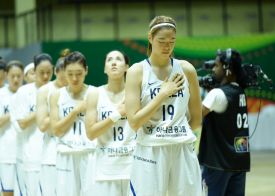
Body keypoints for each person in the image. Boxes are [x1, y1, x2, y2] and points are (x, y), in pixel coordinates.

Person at [125, 15, 202, 196]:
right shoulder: (137, 71)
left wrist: (176, 132)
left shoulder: (187, 70)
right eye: (162, 41)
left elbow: (197, 118)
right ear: (150, 38)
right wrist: (162, 94)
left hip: (182, 147)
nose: (167, 46)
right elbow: (134, 122)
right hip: (150, 149)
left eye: (172, 41)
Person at [198, 48, 251, 196]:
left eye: (216, 65)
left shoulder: (217, 94)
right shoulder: (240, 91)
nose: (213, 69)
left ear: (226, 68)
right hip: (239, 162)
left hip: (217, 163)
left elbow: (195, 116)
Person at [85, 50, 136, 196]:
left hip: (132, 166)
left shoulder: (136, 92)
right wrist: (117, 114)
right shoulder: (95, 94)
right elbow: (90, 133)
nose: (114, 62)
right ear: (105, 68)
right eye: (109, 60)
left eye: (118, 59)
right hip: (105, 169)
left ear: (127, 67)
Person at [50, 51, 96, 196]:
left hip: (90, 153)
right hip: (66, 154)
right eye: (70, 74)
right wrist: (75, 111)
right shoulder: (56, 95)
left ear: (86, 70)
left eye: (79, 73)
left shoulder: (95, 93)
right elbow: (56, 130)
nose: (74, 78)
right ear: (63, 72)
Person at [10, 53, 53, 196]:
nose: (46, 76)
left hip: (54, 157)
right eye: (42, 72)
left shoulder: (57, 91)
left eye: (49, 72)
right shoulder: (24, 92)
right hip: (32, 156)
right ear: (35, 71)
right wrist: (42, 109)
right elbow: (21, 124)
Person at [36, 49, 69, 196]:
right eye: (63, 78)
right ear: (56, 72)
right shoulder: (44, 91)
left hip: (72, 151)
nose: (67, 81)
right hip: (51, 154)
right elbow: (42, 125)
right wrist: (60, 112)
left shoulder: (78, 90)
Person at [0, 61, 24, 196]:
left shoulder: (27, 93)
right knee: (8, 193)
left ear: (23, 76)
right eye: (12, 76)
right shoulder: (1, 94)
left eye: (18, 76)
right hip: (6, 154)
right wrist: (13, 113)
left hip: (25, 154)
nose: (16, 79)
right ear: (6, 75)